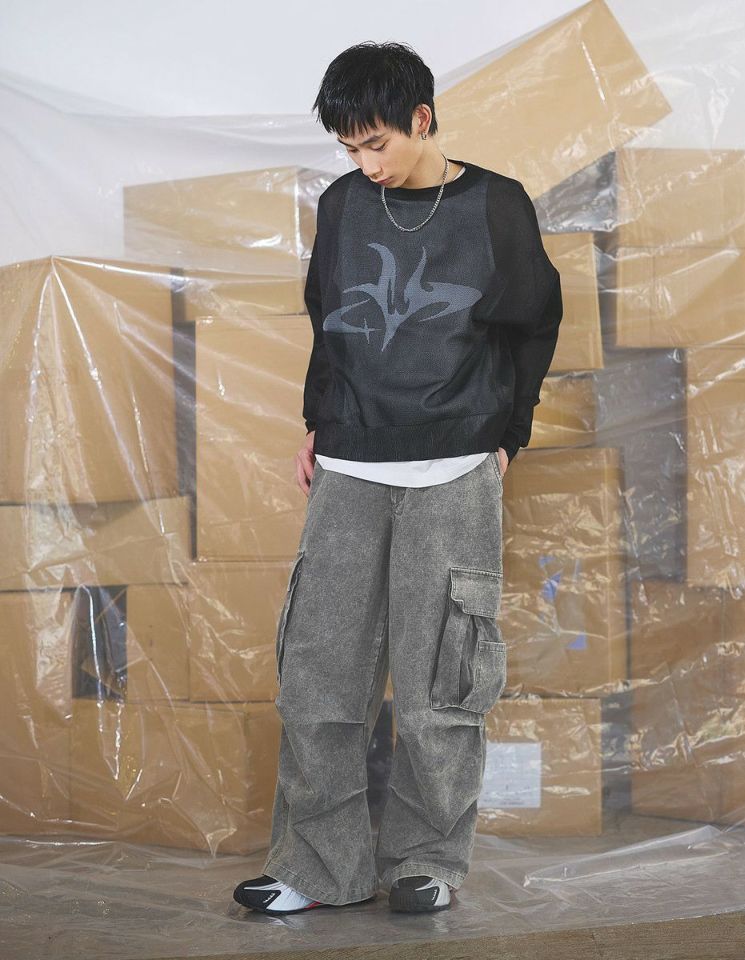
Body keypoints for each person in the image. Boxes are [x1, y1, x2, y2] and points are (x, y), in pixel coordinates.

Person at [233, 40, 562, 916]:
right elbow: (329, 321)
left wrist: (509, 436)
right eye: (350, 148)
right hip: (349, 462)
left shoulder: (496, 205)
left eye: (376, 143)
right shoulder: (343, 205)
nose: (366, 164)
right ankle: (319, 867)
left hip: (454, 465)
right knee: (319, 673)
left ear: (422, 118)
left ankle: (427, 860)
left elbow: (534, 325)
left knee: (441, 679)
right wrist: (318, 421)